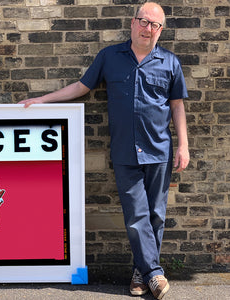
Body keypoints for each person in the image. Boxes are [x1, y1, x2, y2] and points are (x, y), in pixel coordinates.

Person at [19, 2, 189, 299]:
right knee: (137, 216)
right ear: (133, 22)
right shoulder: (109, 57)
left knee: (156, 216)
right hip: (125, 151)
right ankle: (155, 274)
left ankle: (141, 274)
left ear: (161, 31)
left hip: (160, 149)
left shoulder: (170, 62)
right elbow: (81, 87)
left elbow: (177, 106)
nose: (148, 29)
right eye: (143, 21)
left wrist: (184, 145)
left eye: (155, 25)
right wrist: (44, 100)